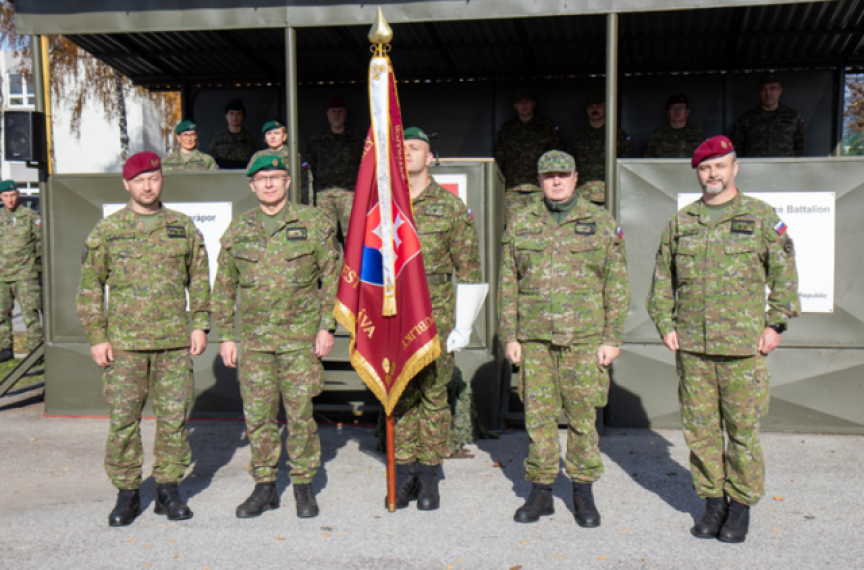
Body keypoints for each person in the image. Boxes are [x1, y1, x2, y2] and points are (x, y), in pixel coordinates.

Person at [646, 136, 800, 544]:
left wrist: (776, 324)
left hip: (743, 348)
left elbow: (785, 275)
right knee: (700, 431)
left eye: (720, 165)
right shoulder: (682, 223)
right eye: (705, 167)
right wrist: (664, 323)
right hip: (693, 348)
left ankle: (741, 506)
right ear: (698, 173)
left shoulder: (761, 217)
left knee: (742, 431)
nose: (712, 173)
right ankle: (713, 502)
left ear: (735, 168)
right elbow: (662, 280)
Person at [76, 152, 211, 527]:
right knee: (123, 421)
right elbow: (89, 286)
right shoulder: (108, 230)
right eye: (139, 181)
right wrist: (97, 336)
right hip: (125, 345)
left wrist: (200, 324)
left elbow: (199, 278)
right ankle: (127, 493)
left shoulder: (182, 227)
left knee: (173, 419)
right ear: (126, 184)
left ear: (162, 179)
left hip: (173, 343)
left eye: (153, 178)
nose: (147, 186)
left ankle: (168, 490)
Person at [499, 150, 629, 529]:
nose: (556, 181)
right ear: (539, 180)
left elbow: (616, 284)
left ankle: (582, 490)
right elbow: (509, 284)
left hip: (584, 340)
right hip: (535, 339)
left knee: (582, 417)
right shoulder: (521, 224)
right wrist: (510, 336)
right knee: (538, 418)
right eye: (548, 176)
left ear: (575, 177)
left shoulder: (601, 222)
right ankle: (541, 490)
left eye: (562, 175)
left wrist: (612, 337)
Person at [212, 155, 339, 520]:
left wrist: (326, 326)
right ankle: (264, 487)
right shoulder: (239, 229)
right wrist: (226, 335)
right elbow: (225, 286)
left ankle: (303, 485)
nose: (269, 183)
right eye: (262, 178)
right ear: (252, 185)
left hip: (300, 341)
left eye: (276, 177)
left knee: (301, 417)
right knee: (258, 418)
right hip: (256, 344)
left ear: (287, 182)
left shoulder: (313, 222)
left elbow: (332, 277)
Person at [390, 127, 483, 511]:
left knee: (433, 395)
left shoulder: (450, 207)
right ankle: (404, 474)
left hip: (436, 314)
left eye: (416, 148)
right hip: (394, 314)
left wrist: (464, 325)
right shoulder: (384, 206)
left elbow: (470, 268)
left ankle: (429, 476)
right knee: (400, 395)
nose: (408, 153)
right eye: (402, 148)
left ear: (431, 157)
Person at [493, 88, 561, 223]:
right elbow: (498, 161)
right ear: (515, 105)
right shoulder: (507, 129)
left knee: (541, 228)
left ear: (533, 104)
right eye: (520, 102)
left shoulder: (547, 126)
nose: (524, 105)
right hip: (513, 192)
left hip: (540, 190)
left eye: (527, 101)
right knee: (513, 228)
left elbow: (557, 158)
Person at [306, 99, 365, 238]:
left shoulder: (356, 137)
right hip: (324, 194)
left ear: (345, 114)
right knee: (325, 234)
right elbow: (311, 165)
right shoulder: (318, 138)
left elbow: (363, 164)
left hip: (349, 193)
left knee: (353, 234)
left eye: (340, 111)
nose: (337, 115)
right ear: (327, 114)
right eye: (333, 111)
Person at [0, 180, 42, 362]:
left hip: (25, 274)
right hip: (2, 276)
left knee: (30, 313)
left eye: (12, 195)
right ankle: (5, 349)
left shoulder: (31, 217)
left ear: (18, 194)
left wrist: (37, 268)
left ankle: (36, 350)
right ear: (1, 197)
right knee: (1, 315)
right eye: (6, 196)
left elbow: (40, 244)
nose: (10, 200)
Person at [565, 92, 632, 205]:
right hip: (583, 194)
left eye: (598, 106)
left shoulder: (617, 135)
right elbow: (569, 164)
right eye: (591, 106)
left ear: (606, 107)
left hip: (611, 194)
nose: (594, 109)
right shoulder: (578, 136)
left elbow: (627, 164)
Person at [733, 73, 806, 157]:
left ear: (780, 91)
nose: (768, 93)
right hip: (755, 165)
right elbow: (736, 148)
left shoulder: (793, 117)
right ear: (759, 92)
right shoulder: (747, 120)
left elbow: (800, 148)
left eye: (772, 88)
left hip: (784, 165)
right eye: (763, 89)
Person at [248, 120, 312, 205]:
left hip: (290, 202)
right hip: (265, 201)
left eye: (277, 133)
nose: (273, 137)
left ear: (284, 136)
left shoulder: (294, 156)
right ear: (264, 138)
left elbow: (306, 181)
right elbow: (250, 180)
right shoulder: (258, 157)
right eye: (269, 134)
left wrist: (307, 205)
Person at [208, 99, 259, 168]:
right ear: (226, 115)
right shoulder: (218, 139)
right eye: (231, 113)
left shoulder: (252, 139)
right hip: (222, 173)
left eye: (239, 114)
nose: (235, 117)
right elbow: (210, 160)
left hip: (245, 172)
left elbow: (258, 160)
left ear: (243, 116)